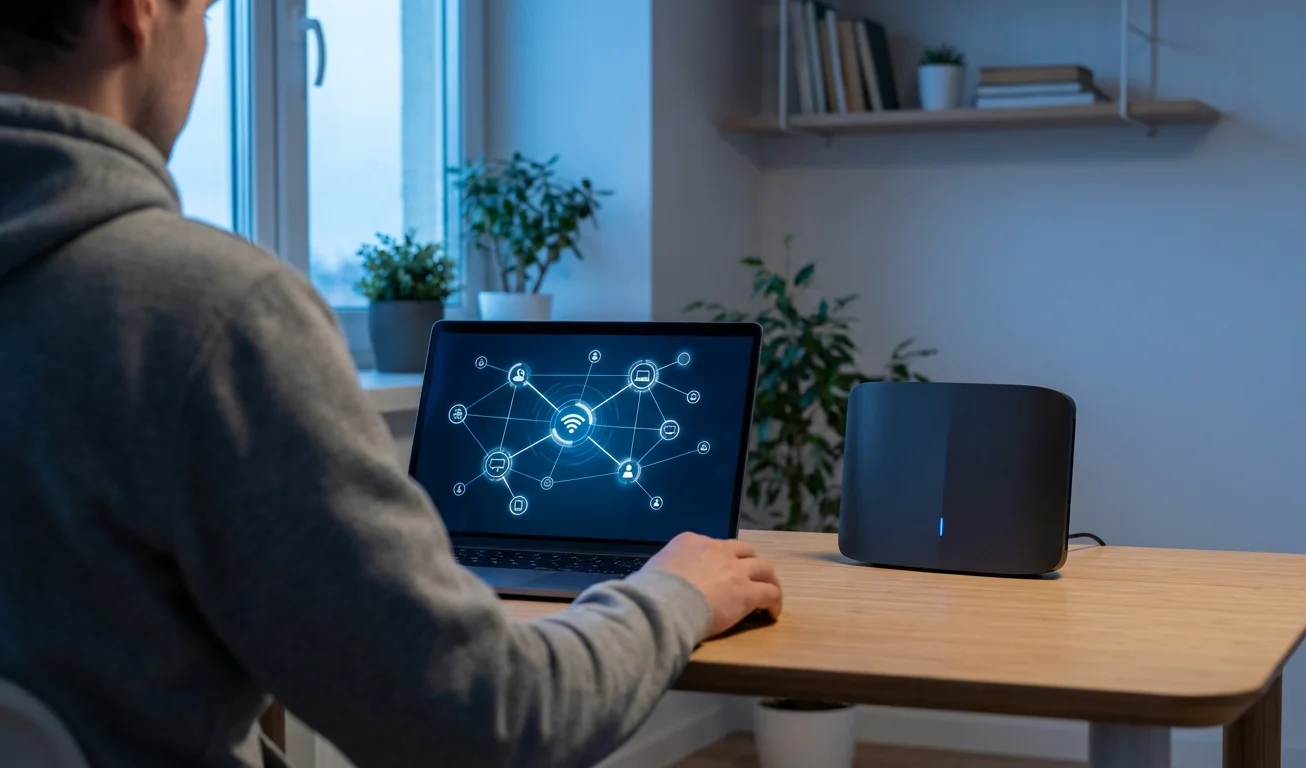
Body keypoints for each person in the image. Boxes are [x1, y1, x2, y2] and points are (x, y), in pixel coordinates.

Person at [0, 1, 784, 767]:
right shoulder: (206, 317)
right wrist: (674, 592)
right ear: (136, 13)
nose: (205, 44)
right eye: (205, 13)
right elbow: (491, 721)